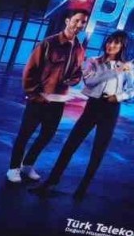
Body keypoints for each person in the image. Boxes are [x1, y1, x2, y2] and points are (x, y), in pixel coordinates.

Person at [35, 30, 133, 199]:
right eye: (109, 41)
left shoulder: (128, 67)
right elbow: (90, 81)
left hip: (111, 108)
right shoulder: (93, 61)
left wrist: (118, 96)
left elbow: (132, 90)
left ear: (122, 46)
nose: (111, 45)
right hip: (92, 106)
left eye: (116, 43)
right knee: (70, 145)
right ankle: (51, 181)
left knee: (98, 151)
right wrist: (115, 71)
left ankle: (82, 189)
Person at [10, 5, 89, 183]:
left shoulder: (79, 49)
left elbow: (77, 73)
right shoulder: (49, 43)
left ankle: (27, 165)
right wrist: (35, 94)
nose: (79, 25)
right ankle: (13, 168)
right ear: (68, 21)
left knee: (47, 135)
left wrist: (72, 82)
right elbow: (29, 71)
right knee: (25, 135)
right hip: (38, 100)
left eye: (83, 22)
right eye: (76, 20)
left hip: (58, 101)